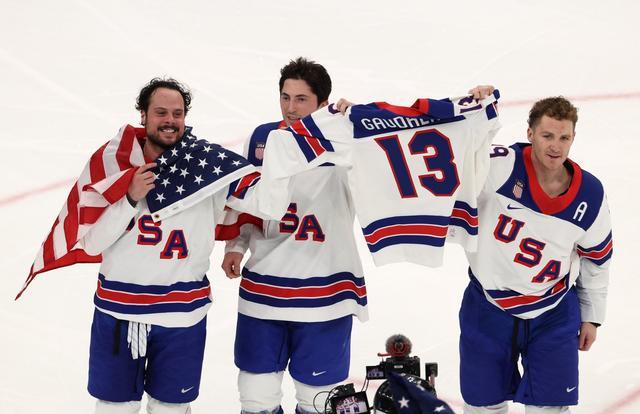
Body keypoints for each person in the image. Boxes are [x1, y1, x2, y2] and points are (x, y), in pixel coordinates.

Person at [22, 77, 294, 414]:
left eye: (177, 113)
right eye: (161, 112)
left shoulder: (209, 165)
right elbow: (92, 243)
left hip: (182, 314)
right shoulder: (113, 162)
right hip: (120, 310)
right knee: (114, 409)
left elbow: (270, 206)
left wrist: (286, 157)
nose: (170, 121)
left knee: (171, 409)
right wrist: (129, 198)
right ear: (143, 115)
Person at [221, 57, 368, 414]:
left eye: (301, 99)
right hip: (264, 287)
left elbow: (388, 165)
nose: (290, 108)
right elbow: (247, 198)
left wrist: (357, 126)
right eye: (285, 97)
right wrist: (236, 245)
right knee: (255, 394)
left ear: (322, 103)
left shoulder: (348, 142)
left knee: (319, 399)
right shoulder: (263, 138)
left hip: (326, 290)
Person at [459, 94, 613, 414]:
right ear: (530, 134)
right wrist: (475, 109)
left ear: (573, 138)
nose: (555, 146)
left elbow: (597, 259)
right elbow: (456, 159)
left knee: (550, 408)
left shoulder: (590, 195)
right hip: (488, 305)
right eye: (547, 136)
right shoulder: (499, 167)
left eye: (564, 138)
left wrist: (592, 316)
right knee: (483, 406)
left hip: (553, 312)